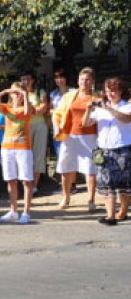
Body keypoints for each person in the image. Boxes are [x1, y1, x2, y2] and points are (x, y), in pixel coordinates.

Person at [0, 85, 35, 224]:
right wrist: (4, 91)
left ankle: (26, 212)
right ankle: (13, 211)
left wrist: (24, 93)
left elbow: (27, 112)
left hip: (23, 148)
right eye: (15, 93)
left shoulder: (28, 106)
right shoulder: (6, 108)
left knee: (26, 180)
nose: (17, 95)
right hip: (7, 147)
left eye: (19, 93)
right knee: (10, 179)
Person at [54, 67, 100, 211]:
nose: (84, 82)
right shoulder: (69, 96)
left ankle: (91, 199)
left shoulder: (98, 97)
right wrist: (56, 127)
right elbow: (57, 114)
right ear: (78, 80)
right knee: (66, 167)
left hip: (92, 137)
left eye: (87, 80)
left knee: (91, 169)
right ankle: (66, 197)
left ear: (93, 82)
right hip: (70, 135)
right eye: (82, 79)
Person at [87, 77, 131, 225]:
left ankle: (122, 212)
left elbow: (126, 119)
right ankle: (110, 215)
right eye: (107, 91)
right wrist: (88, 110)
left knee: (123, 185)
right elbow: (86, 123)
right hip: (101, 149)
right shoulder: (100, 109)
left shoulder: (127, 106)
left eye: (113, 91)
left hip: (122, 148)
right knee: (105, 183)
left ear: (120, 91)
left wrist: (109, 109)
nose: (110, 94)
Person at [19, 71, 50, 194]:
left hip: (39, 125)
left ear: (33, 80)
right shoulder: (19, 93)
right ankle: (26, 183)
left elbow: (43, 108)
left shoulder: (39, 92)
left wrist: (30, 110)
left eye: (28, 79)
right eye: (23, 79)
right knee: (24, 154)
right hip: (24, 126)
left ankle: (35, 185)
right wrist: (32, 109)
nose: (25, 82)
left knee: (39, 154)